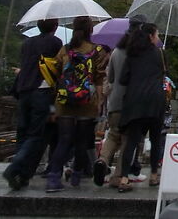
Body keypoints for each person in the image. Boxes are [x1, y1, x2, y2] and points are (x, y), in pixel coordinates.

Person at [45, 16, 108, 192]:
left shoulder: (65, 49)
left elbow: (55, 72)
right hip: (87, 101)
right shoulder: (97, 51)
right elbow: (99, 78)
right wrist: (100, 101)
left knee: (64, 139)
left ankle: (53, 178)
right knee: (82, 141)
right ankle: (76, 176)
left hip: (64, 100)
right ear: (90, 30)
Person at [3, 18, 62, 190]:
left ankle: (22, 174)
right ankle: (16, 167)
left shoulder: (27, 43)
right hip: (41, 90)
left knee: (22, 131)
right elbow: (58, 65)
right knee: (35, 134)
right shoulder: (55, 42)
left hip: (23, 89)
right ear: (55, 27)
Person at [93, 15, 144, 188]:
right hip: (133, 103)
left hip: (115, 102)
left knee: (113, 135)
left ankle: (102, 160)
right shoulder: (140, 52)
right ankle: (118, 176)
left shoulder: (116, 51)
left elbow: (111, 78)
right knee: (128, 141)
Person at [116, 22, 166, 193]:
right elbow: (164, 73)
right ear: (151, 36)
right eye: (157, 35)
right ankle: (154, 175)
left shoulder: (132, 53)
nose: (158, 38)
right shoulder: (160, 54)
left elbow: (123, 79)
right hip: (155, 99)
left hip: (135, 100)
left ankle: (124, 177)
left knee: (132, 140)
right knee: (156, 139)